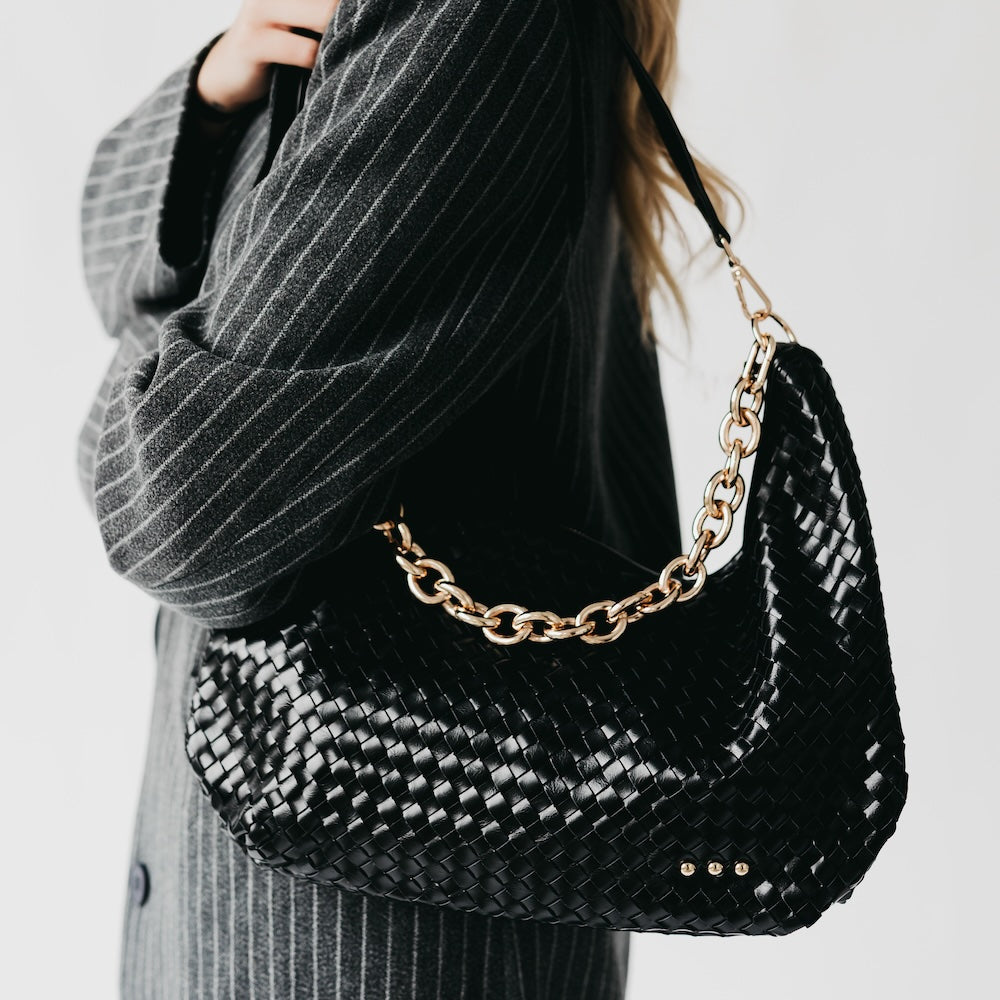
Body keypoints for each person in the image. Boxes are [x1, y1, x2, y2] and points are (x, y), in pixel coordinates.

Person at [77, 1, 738, 997]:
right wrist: (214, 103)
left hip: (365, 928)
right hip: (316, 895)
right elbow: (108, 257)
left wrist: (130, 413)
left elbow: (180, 508)